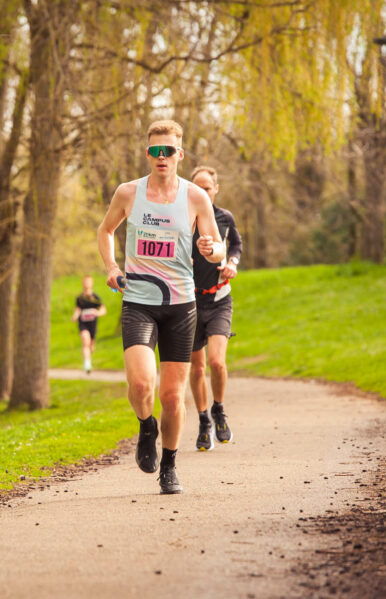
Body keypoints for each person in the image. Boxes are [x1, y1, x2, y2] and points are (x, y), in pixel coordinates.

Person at [97, 120, 226, 494]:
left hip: (180, 306)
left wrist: (211, 250)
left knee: (172, 397)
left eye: (168, 151)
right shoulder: (128, 193)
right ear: (148, 153)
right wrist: (111, 267)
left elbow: (217, 246)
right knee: (140, 384)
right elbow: (105, 230)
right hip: (138, 301)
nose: (161, 157)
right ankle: (145, 426)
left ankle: (169, 465)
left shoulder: (195, 197)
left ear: (179, 154)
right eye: (155, 151)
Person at [188, 166, 243, 451]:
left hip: (220, 299)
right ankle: (203, 421)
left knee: (217, 362)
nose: (202, 192)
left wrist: (232, 264)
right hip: (189, 302)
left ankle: (219, 409)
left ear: (215, 189)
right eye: (196, 187)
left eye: (207, 187)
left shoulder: (224, 217)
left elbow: (236, 243)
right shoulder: (182, 218)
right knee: (196, 368)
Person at [72, 275, 107, 373]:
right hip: (83, 324)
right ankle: (87, 364)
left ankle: (88, 359)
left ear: (92, 283)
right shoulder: (80, 298)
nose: (87, 284)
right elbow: (78, 309)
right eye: (85, 282)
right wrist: (75, 316)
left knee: (91, 346)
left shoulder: (95, 297)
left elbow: (103, 309)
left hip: (92, 324)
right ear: (83, 283)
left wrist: (97, 313)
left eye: (89, 282)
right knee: (85, 340)